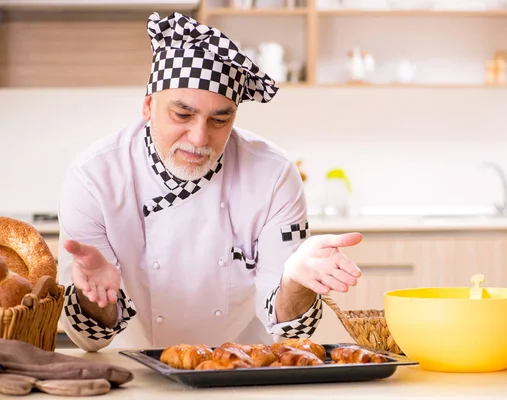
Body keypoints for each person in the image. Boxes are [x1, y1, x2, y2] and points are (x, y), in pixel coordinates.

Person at [57, 11, 363, 352]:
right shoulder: (94, 176)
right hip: (133, 369)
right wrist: (97, 298)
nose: (200, 137)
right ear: (148, 106)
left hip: (242, 368)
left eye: (220, 119)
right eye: (182, 115)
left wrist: (296, 281)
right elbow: (89, 340)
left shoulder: (273, 176)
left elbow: (290, 333)